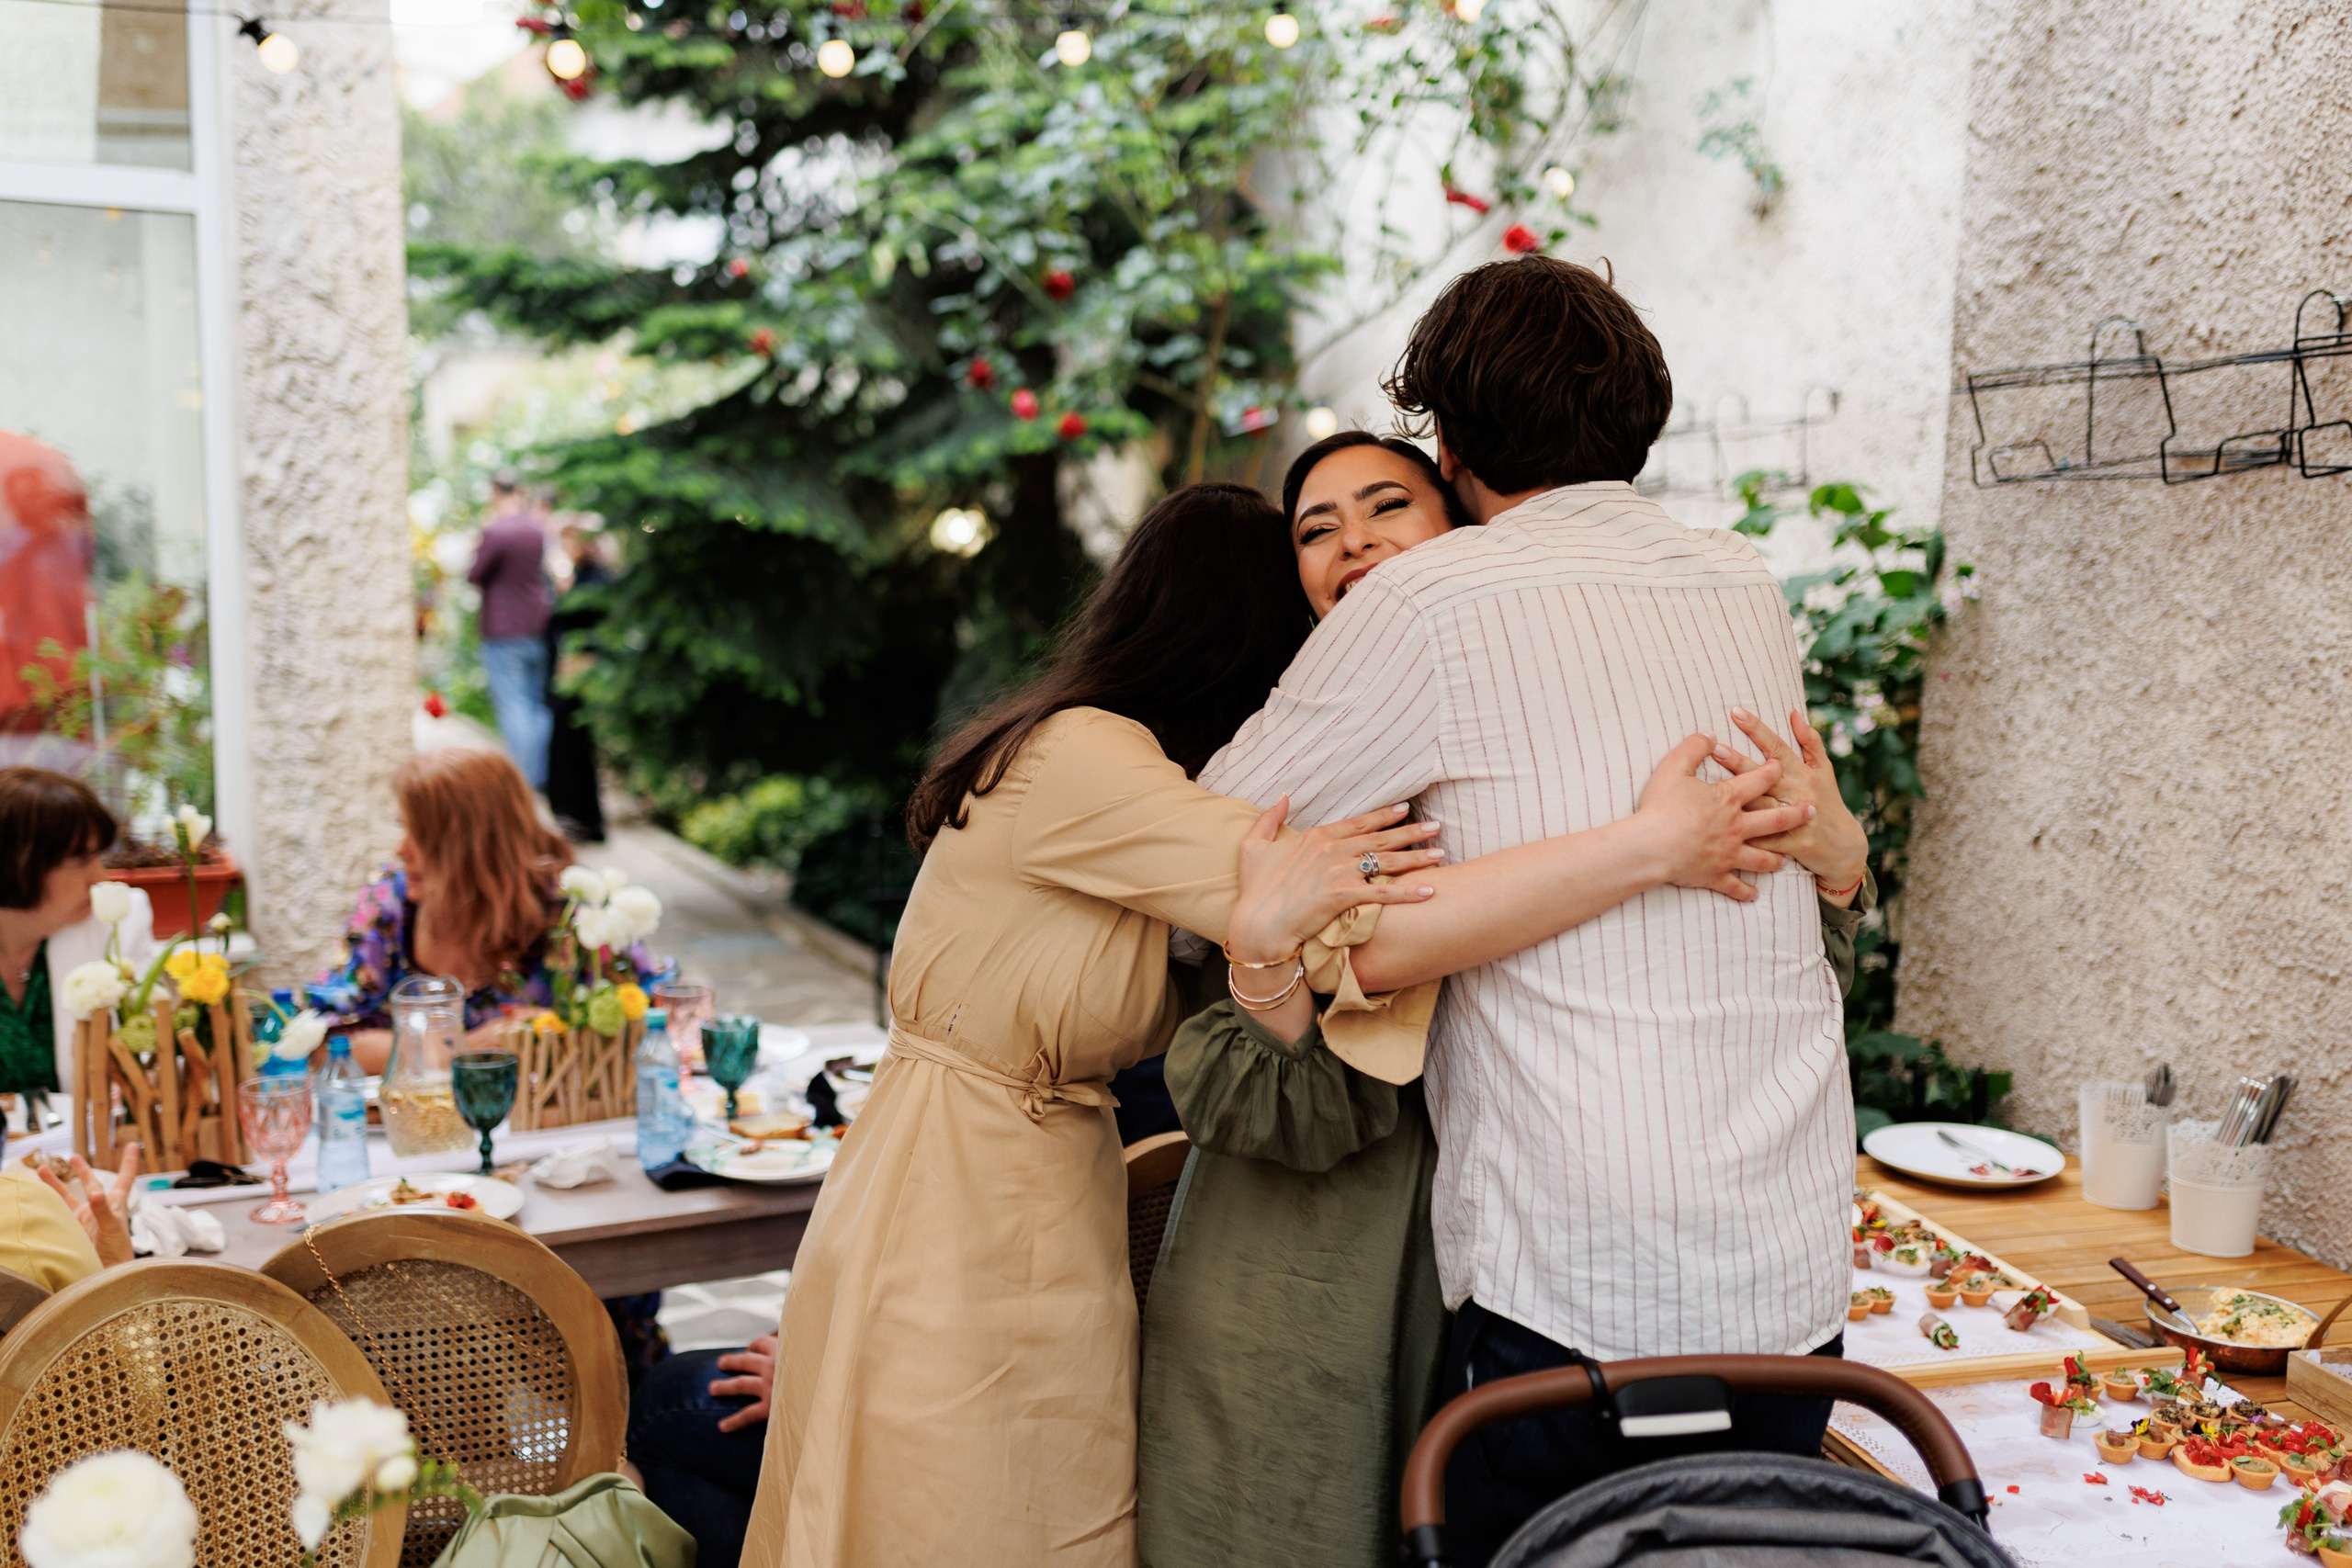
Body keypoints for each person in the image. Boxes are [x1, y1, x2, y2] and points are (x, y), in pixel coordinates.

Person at [736, 483, 1811, 1567]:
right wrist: (1645, 845)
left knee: (1000, 1504)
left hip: (1016, 1177)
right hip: (968, 1191)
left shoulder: (1110, 775)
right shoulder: (1089, 758)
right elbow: (1330, 902)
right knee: (968, 1515)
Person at [1199, 257, 1871, 1566]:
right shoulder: (1739, 580)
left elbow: (1235, 835)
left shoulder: (1430, 598)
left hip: (1574, 1283)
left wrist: (1378, 896)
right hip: (1788, 1268)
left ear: (1450, 448)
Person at [318, 747, 634, 1073]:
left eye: (421, 837)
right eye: (404, 828)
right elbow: (321, 1037)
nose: (401, 850)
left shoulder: (570, 912)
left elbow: (645, 1017)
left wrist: (559, 1030)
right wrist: (449, 1049)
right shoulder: (390, 900)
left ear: (476, 846)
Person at [0, 767, 159, 1104]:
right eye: (79, 860)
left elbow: (148, 1052)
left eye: (99, 857)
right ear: (13, 864)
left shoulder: (118, 923)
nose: (100, 877)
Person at [469, 470, 555, 790]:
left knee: (514, 706)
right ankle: (538, 775)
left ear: (495, 492)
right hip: (536, 625)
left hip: (503, 629)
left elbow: (474, 574)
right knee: (535, 706)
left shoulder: (496, 531)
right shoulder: (538, 529)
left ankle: (522, 780)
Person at [543, 519, 611, 844]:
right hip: (568, 672)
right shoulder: (582, 577)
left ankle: (582, 818)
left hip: (579, 674)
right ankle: (574, 814)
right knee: (567, 744)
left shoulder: (595, 579)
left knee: (575, 745)